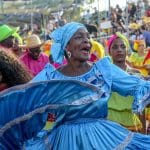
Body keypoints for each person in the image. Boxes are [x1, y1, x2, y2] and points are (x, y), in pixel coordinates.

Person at [1, 22, 150, 149]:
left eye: (88, 37)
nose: (87, 41)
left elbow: (139, 87)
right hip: (63, 142)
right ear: (67, 47)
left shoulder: (103, 70)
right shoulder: (50, 77)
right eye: (79, 37)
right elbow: (24, 101)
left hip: (101, 138)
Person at [107, 32, 144, 133]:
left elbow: (141, 106)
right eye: (114, 47)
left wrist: (144, 134)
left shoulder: (136, 75)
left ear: (127, 50)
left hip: (131, 123)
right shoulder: (104, 74)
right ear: (109, 52)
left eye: (123, 47)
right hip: (110, 122)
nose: (119, 50)